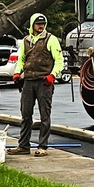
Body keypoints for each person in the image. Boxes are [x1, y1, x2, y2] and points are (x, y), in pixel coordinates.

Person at [7, 13, 64, 157]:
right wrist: (17, 72)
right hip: (28, 81)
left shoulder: (51, 39)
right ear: (32, 25)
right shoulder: (26, 41)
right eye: (38, 24)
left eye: (43, 24)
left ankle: (42, 146)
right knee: (26, 114)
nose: (41, 26)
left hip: (44, 82)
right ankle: (23, 146)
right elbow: (21, 59)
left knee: (45, 115)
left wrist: (53, 75)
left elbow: (59, 61)